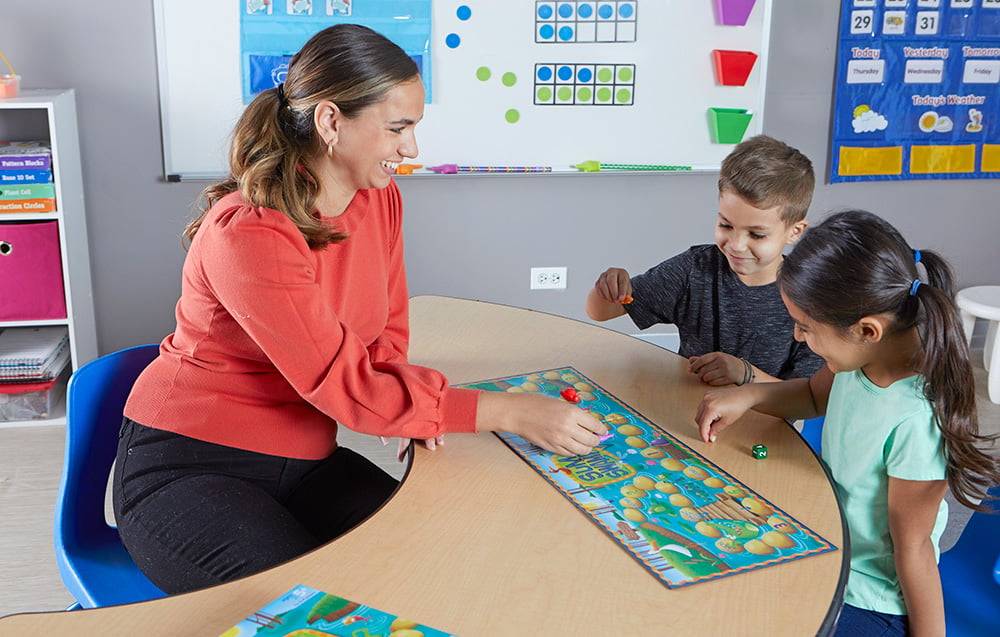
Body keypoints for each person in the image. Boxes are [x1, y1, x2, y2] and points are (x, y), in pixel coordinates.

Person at [113, 24, 606, 595]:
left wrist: (410, 407)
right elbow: (344, 385)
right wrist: (512, 412)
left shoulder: (380, 199)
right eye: (398, 128)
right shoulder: (249, 232)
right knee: (322, 612)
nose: (412, 148)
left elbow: (386, 332)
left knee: (441, 569)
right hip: (192, 468)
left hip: (305, 462)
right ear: (330, 122)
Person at [695, 210, 1000, 636]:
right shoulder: (856, 362)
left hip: (869, 600)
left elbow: (914, 552)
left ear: (866, 330)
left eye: (805, 327)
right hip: (824, 546)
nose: (799, 338)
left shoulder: (915, 419)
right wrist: (747, 395)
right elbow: (811, 396)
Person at [586, 135, 823, 386]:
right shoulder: (694, 269)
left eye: (757, 234)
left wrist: (746, 375)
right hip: (687, 411)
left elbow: (805, 395)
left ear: (794, 232)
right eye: (725, 225)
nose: (736, 244)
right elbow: (598, 312)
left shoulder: (809, 299)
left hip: (765, 421)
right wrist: (608, 288)